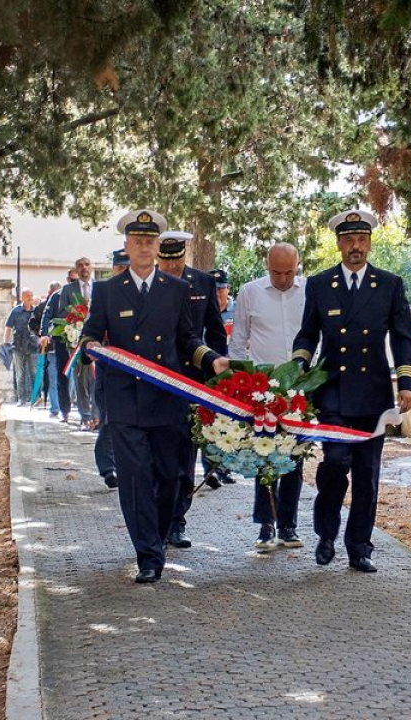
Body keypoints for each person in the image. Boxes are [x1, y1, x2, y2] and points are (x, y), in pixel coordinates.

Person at [80, 210, 228, 584]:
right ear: (127, 246)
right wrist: (91, 345)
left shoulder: (176, 290)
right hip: (126, 400)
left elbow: (186, 340)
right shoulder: (107, 291)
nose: (144, 247)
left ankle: (158, 537)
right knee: (134, 479)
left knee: (171, 476)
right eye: (138, 241)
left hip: (166, 399)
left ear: (158, 247)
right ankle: (147, 554)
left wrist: (211, 360)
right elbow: (91, 333)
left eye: (150, 242)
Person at [291, 209, 411, 574]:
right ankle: (326, 533)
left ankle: (359, 546)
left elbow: (404, 338)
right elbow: (307, 334)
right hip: (332, 393)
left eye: (361, 240)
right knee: (335, 463)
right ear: (339, 244)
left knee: (367, 472)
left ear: (370, 244)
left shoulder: (389, 284)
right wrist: (298, 367)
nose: (355, 247)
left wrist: (406, 383)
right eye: (348, 240)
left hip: (374, 395)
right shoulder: (319, 284)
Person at [230, 243, 307, 550]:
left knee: (294, 459)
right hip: (263, 389)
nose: (284, 278)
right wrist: (240, 386)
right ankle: (266, 524)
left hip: (301, 388)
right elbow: (237, 342)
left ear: (297, 267)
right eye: (277, 272)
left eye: (289, 272)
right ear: (267, 267)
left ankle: (288, 525)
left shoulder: (310, 291)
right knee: (264, 456)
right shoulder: (250, 292)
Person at [156, 231, 229, 548]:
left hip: (193, 379)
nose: (172, 266)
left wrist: (218, 377)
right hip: (156, 379)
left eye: (177, 258)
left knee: (186, 456)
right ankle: (157, 520)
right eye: (166, 259)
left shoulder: (202, 282)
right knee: (160, 458)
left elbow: (214, 330)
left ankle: (177, 522)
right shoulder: (148, 285)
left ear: (184, 255)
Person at [92, 248, 130, 489]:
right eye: (120, 267)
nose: (124, 272)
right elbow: (93, 329)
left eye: (127, 267)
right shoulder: (104, 293)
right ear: (113, 268)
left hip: (136, 369)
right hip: (108, 368)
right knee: (108, 419)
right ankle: (108, 468)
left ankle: (123, 465)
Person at [55, 256, 96, 429]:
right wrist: (74, 322)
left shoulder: (101, 288)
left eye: (87, 264)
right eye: (80, 265)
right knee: (80, 379)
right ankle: (85, 415)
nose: (84, 268)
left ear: (92, 267)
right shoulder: (68, 290)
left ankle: (97, 415)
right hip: (77, 342)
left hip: (99, 341)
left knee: (96, 380)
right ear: (76, 270)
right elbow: (62, 313)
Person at [38, 278, 73, 421]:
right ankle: (64, 409)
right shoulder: (56, 296)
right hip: (61, 342)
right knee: (61, 376)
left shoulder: (87, 294)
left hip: (81, 341)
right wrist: (44, 334)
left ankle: (88, 413)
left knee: (81, 380)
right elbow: (46, 316)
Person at [5, 289, 39, 406]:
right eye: (28, 295)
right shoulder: (15, 311)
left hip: (33, 346)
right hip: (18, 346)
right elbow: (8, 327)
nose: (30, 297)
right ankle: (21, 399)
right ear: (22, 297)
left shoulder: (36, 312)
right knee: (20, 374)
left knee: (34, 372)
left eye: (31, 295)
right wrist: (6, 343)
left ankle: (35, 398)